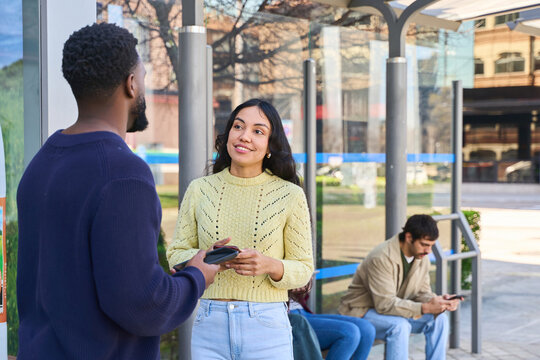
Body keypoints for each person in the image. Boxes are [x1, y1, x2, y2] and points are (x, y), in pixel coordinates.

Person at [16, 23, 219, 360]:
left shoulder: (42, 163)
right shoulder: (124, 174)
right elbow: (144, 306)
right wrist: (198, 276)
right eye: (143, 76)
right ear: (131, 83)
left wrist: (163, 280)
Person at [167, 98, 314, 360]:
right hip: (208, 321)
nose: (245, 136)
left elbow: (303, 268)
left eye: (258, 131)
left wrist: (269, 265)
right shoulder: (200, 190)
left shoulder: (290, 195)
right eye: (238, 126)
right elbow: (176, 252)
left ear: (270, 145)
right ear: (227, 136)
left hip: (267, 326)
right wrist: (203, 259)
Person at [339, 214, 462, 360]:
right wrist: (425, 308)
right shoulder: (381, 257)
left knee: (440, 319)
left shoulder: (420, 257)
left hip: (393, 310)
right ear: (409, 238)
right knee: (400, 326)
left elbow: (421, 292)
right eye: (424, 244)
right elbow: (384, 304)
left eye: (431, 246)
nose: (429, 251)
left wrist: (438, 301)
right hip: (361, 311)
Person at [289, 280, 375, 360]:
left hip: (300, 309)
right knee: (349, 333)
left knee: (367, 329)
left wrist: (304, 284)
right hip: (288, 316)